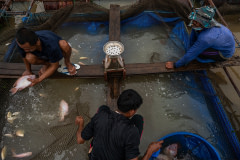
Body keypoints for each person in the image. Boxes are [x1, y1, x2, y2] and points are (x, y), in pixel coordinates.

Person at [75, 89, 163, 160]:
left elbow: (80, 140)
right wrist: (150, 151)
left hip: (93, 157)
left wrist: (81, 124)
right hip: (124, 142)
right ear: (132, 111)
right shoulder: (132, 131)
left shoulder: (100, 115)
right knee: (138, 119)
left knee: (103, 108)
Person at [165, 6, 235, 69]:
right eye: (194, 20)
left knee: (197, 53)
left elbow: (192, 53)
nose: (193, 23)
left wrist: (175, 65)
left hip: (223, 53)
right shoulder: (199, 25)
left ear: (203, 24)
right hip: (217, 41)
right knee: (193, 48)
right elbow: (193, 35)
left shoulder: (206, 38)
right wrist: (190, 48)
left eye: (196, 22)